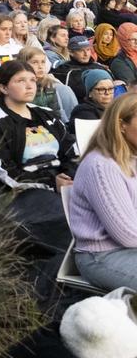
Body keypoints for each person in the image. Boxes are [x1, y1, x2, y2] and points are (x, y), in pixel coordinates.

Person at [0, 59, 78, 253]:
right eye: (21, 81)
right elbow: (7, 173)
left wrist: (69, 177)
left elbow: (71, 152)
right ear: (3, 87)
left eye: (32, 80)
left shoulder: (47, 114)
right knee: (69, 219)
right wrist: (52, 183)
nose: (29, 86)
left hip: (64, 183)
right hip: (26, 192)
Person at [67, 93, 137, 291]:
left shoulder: (133, 157)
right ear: (121, 125)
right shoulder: (101, 165)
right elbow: (128, 235)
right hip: (103, 256)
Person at [18, 46, 78, 125]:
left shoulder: (61, 89)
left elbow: (73, 121)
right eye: (35, 62)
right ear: (23, 64)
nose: (40, 66)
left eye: (43, 62)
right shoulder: (15, 89)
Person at [53, 36, 112, 102]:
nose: (86, 54)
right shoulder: (63, 71)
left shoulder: (99, 67)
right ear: (71, 53)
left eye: (88, 50)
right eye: (81, 50)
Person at [111, 23, 137, 87]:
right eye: (133, 39)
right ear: (123, 40)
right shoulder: (118, 62)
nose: (136, 42)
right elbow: (132, 85)